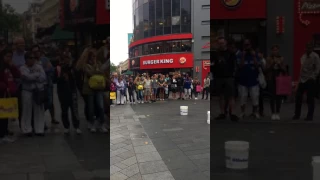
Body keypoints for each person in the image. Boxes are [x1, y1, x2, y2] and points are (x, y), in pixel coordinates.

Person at [20, 52, 47, 136]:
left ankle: (39, 130)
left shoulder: (39, 67)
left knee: (39, 110)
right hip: (27, 91)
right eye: (31, 58)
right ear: (26, 59)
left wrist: (33, 76)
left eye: (34, 58)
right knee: (26, 111)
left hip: (38, 91)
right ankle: (26, 130)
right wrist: (36, 75)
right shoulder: (22, 68)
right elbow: (26, 77)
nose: (33, 59)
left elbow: (43, 77)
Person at [81, 48, 107, 133]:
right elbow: (90, 73)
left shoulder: (98, 64)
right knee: (91, 107)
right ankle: (92, 123)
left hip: (99, 88)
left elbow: (102, 72)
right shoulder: (86, 65)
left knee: (101, 106)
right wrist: (97, 71)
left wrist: (97, 70)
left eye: (95, 56)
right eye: (92, 56)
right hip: (90, 88)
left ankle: (101, 123)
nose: (93, 58)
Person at [32, 45, 59, 125]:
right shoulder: (33, 61)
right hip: (39, 85)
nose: (36, 53)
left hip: (48, 83)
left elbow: (51, 69)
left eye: (37, 51)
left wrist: (41, 70)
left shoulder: (45, 59)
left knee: (50, 101)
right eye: (34, 52)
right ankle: (40, 117)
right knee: (41, 101)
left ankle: (52, 118)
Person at [293, 42, 320, 121]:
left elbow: (318, 68)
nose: (308, 49)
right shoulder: (303, 56)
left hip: (310, 79)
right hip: (302, 79)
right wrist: (298, 81)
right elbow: (301, 69)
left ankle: (310, 116)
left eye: (310, 47)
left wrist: (313, 77)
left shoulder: (315, 56)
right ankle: (297, 115)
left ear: (312, 48)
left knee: (310, 98)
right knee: (298, 97)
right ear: (306, 48)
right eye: (307, 47)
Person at [213, 37, 238, 121]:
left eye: (222, 43)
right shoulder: (216, 54)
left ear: (225, 43)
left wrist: (233, 74)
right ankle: (223, 113)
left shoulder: (230, 53)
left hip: (229, 77)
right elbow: (213, 65)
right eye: (219, 43)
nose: (221, 45)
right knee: (221, 96)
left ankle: (232, 113)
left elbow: (234, 64)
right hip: (219, 77)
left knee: (231, 96)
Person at [56, 54, 81, 134]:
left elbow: (77, 78)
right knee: (64, 110)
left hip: (72, 91)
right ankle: (66, 126)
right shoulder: (58, 69)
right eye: (64, 59)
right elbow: (55, 80)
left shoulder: (72, 69)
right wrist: (60, 76)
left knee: (74, 110)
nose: (66, 61)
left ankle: (76, 126)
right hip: (62, 92)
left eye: (68, 59)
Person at [0, 49, 21, 143]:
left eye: (10, 56)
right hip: (2, 93)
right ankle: (1, 135)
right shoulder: (1, 66)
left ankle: (4, 133)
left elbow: (17, 75)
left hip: (8, 93)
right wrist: (4, 87)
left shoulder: (9, 66)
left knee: (5, 115)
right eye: (7, 56)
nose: (9, 58)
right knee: (2, 115)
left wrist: (13, 66)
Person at [237, 39, 260, 119]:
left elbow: (257, 66)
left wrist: (253, 56)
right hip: (243, 80)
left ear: (251, 45)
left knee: (254, 97)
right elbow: (240, 66)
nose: (247, 47)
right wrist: (243, 55)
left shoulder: (255, 54)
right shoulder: (240, 54)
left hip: (253, 80)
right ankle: (242, 112)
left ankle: (255, 112)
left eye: (248, 45)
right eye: (245, 45)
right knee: (243, 97)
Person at [265, 45, 286, 120]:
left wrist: (280, 65)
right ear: (271, 51)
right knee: (272, 97)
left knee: (279, 97)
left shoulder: (281, 58)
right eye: (273, 50)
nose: (275, 51)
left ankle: (278, 112)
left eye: (276, 50)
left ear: (278, 50)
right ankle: (273, 113)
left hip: (279, 78)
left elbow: (284, 70)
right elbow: (266, 70)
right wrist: (273, 63)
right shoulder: (268, 58)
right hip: (271, 78)